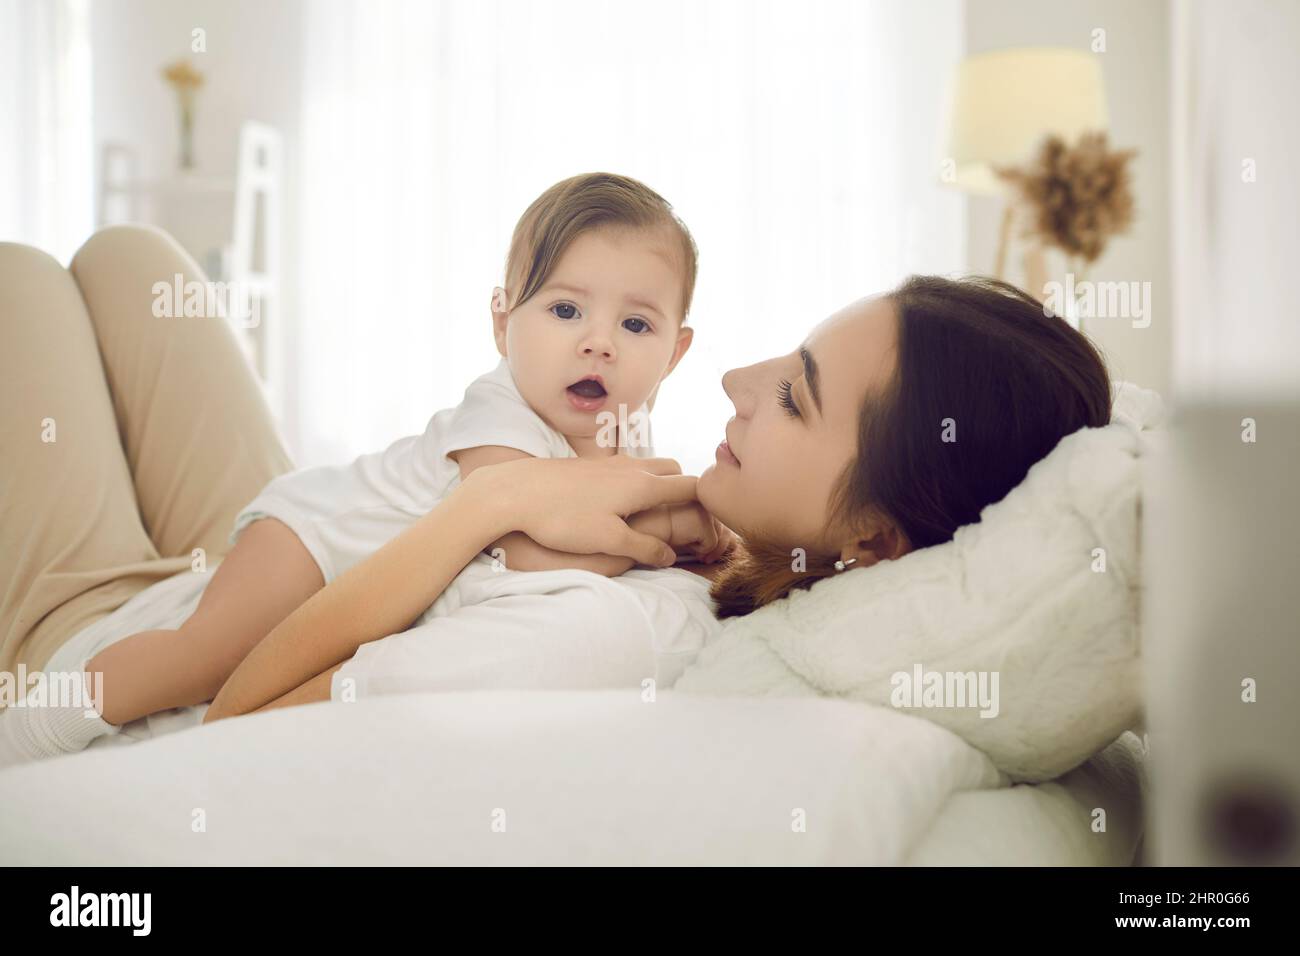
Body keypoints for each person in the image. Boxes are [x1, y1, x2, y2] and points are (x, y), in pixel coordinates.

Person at [0, 225, 1110, 766]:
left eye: (794, 398)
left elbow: (235, 725)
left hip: (102, 630)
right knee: (132, 260)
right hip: (274, 540)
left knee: (23, 285)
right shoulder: (721, 543)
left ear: (872, 536)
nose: (729, 378)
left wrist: (490, 506)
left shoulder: (605, 638)